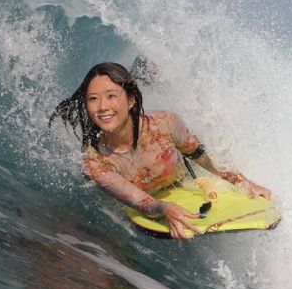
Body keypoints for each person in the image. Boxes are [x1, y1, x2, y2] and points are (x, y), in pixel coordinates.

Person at [52, 60, 271, 240]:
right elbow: (142, 202)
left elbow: (203, 159)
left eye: (111, 96)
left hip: (176, 180)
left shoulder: (165, 124)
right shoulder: (96, 162)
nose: (101, 107)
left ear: (130, 101)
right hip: (145, 198)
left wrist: (241, 180)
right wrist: (165, 208)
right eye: (93, 99)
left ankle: (142, 70)